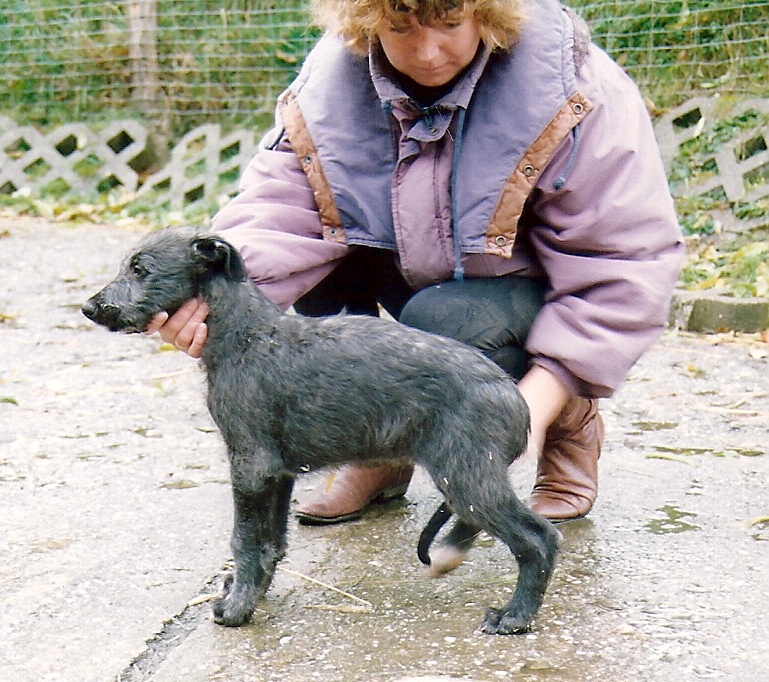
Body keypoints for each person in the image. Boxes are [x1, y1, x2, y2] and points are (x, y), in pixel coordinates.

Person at [145, 0, 684, 525]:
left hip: (520, 293)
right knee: (311, 283)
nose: (427, 52)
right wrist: (210, 296)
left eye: (450, 22)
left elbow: (622, 260)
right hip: (409, 266)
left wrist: (536, 404)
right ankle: (380, 447)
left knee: (446, 326)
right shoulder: (331, 83)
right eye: (401, 26)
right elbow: (281, 210)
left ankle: (568, 417)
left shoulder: (573, 87)